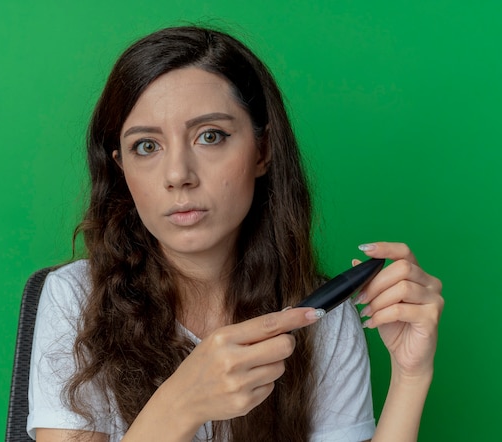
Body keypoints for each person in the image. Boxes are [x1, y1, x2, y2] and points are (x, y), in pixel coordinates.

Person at [27, 26, 444, 442]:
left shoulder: (322, 319)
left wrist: (412, 375)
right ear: (121, 168)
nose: (178, 176)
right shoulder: (75, 298)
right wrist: (182, 403)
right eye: (146, 146)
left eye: (210, 136)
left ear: (262, 151)